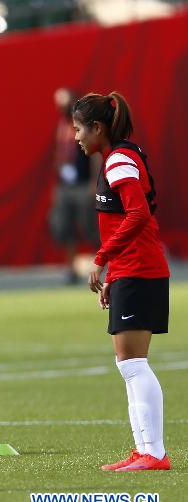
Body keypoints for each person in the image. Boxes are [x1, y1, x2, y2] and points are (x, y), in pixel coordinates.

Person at [74, 92, 171, 471]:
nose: (76, 137)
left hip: (141, 271)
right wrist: (115, 273)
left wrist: (101, 259)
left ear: (98, 128)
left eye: (79, 129)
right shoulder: (120, 158)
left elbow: (138, 215)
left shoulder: (119, 161)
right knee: (129, 364)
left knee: (133, 364)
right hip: (133, 271)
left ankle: (154, 453)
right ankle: (145, 450)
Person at [48, 88, 99, 284]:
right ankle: (70, 268)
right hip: (65, 184)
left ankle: (100, 267)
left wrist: (95, 183)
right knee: (64, 226)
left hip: (83, 183)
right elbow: (59, 152)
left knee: (90, 226)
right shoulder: (61, 126)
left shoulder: (84, 126)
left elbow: (94, 154)